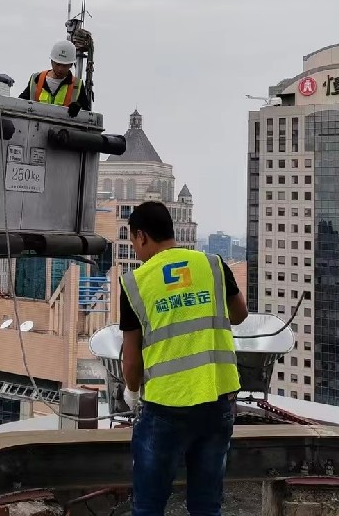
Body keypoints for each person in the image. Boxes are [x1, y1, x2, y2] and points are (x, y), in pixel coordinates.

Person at [119, 201, 248, 516]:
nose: (135, 249)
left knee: (148, 505)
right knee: (207, 505)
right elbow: (240, 314)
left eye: (133, 241)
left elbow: (132, 359)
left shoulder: (135, 283)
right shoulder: (213, 264)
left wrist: (132, 392)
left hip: (166, 407)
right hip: (217, 400)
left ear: (142, 236)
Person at [18, 39, 91, 117]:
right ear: (52, 61)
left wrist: (78, 108)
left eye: (64, 65)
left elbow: (87, 116)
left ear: (71, 65)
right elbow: (19, 105)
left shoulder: (77, 85)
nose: (60, 69)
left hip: (63, 128)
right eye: (58, 64)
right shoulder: (36, 79)